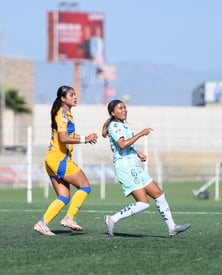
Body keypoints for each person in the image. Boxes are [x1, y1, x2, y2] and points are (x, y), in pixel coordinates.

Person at [101, 99, 190, 237]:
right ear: (112, 113)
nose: (124, 110)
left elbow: (124, 145)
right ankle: (112, 219)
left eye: (124, 107)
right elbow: (122, 145)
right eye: (120, 108)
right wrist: (141, 133)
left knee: (159, 194)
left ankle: (172, 227)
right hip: (125, 168)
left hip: (134, 167)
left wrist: (137, 153)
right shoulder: (114, 126)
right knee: (143, 203)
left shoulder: (123, 126)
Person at [34, 85, 98, 236]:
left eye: (75, 94)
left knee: (63, 197)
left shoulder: (66, 113)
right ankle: (69, 218)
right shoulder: (62, 114)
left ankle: (42, 224)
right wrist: (84, 140)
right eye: (71, 95)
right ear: (63, 99)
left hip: (51, 159)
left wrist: (85, 138)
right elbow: (63, 138)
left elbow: (66, 135)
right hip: (59, 159)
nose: (75, 97)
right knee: (85, 186)